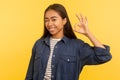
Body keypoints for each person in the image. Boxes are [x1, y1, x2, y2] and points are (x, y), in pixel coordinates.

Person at [25, 3, 112, 80]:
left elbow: (104, 56)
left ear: (64, 21)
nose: (49, 24)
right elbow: (29, 75)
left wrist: (88, 33)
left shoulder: (77, 46)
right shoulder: (39, 44)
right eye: (46, 20)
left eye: (54, 19)